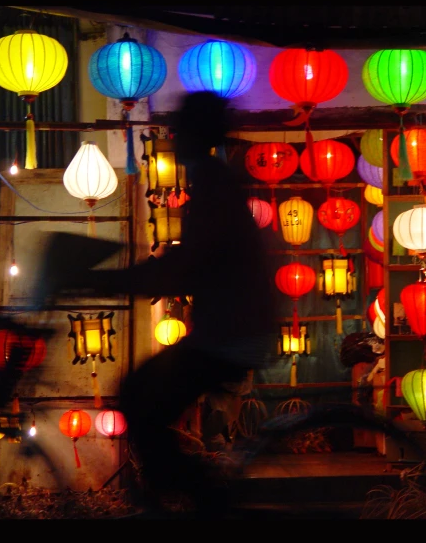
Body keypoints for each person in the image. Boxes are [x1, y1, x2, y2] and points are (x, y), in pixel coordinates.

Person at [35, 91, 278, 515]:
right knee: (140, 396)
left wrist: (103, 281)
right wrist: (117, 279)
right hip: (227, 328)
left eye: (182, 125)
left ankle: (211, 504)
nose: (175, 134)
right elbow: (188, 262)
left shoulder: (213, 185)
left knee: (139, 402)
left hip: (231, 333)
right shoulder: (210, 179)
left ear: (197, 132)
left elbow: (189, 264)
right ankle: (197, 496)